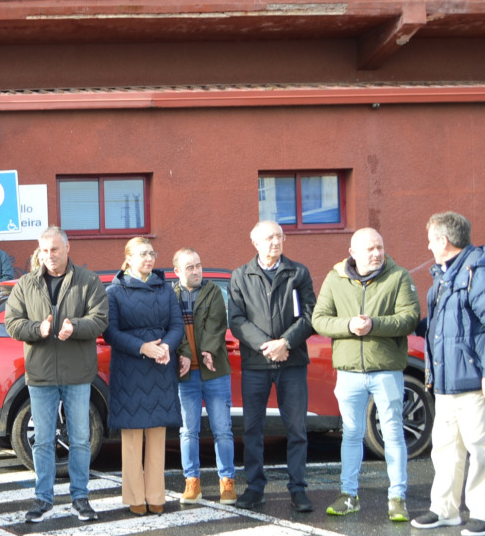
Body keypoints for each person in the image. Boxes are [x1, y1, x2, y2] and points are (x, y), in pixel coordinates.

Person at [411, 212, 485, 536]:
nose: (428, 245)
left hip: (474, 382)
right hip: (447, 384)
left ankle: (483, 513)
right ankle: (445, 510)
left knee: (481, 449)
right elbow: (446, 328)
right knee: (445, 449)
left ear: (443, 241)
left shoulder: (479, 273)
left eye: (431, 238)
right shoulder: (447, 274)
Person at [311, 228, 421, 520]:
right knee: (351, 434)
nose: (376, 253)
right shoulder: (336, 278)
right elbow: (319, 319)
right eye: (370, 248)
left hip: (386, 369)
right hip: (349, 372)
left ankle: (397, 497)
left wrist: (374, 325)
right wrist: (348, 325)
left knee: (393, 433)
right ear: (353, 253)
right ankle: (349, 495)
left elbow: (410, 318)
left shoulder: (399, 277)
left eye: (380, 247)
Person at [6, 227, 111, 521]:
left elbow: (100, 320)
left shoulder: (88, 281)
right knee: (42, 440)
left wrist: (74, 327)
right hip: (40, 374)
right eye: (44, 250)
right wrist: (36, 329)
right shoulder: (26, 284)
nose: (49, 256)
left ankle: (80, 497)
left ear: (67, 248)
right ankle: (42, 498)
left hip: (77, 372)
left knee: (79, 438)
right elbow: (12, 322)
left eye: (55, 249)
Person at [228, 220, 316, 512]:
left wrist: (285, 343)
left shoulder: (298, 272)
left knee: (297, 428)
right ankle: (254, 488)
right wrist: (267, 346)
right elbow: (237, 320)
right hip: (256, 363)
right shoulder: (240, 276)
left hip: (292, 362)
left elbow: (310, 316)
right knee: (253, 428)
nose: (275, 242)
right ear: (255, 243)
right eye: (268, 238)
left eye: (279, 236)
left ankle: (298, 489)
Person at [105, 237, 183, 515]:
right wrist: (142, 347)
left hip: (160, 368)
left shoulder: (165, 289)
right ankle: (135, 497)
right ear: (128, 258)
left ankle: (156, 496)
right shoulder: (115, 291)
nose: (149, 258)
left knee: (157, 435)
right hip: (130, 369)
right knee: (132, 438)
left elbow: (176, 326)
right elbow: (110, 333)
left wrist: (166, 347)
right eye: (142, 254)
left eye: (152, 253)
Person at [172, 248, 237, 506]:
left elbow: (217, 324)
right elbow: (173, 328)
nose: (197, 271)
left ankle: (227, 482)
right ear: (177, 272)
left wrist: (207, 349)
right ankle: (192, 482)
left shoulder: (214, 293)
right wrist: (186, 353)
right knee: (188, 430)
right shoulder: (171, 296)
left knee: (223, 429)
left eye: (198, 265)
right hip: (186, 375)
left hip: (214, 372)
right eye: (190, 267)